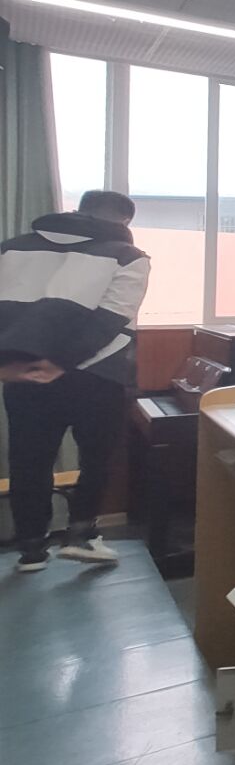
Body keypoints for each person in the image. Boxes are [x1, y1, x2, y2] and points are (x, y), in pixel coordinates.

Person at [0, 189, 150, 571]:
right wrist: (61, 363)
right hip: (98, 375)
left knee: (28, 461)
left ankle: (31, 549)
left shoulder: (12, 248)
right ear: (125, 221)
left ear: (80, 210)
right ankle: (81, 536)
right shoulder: (129, 256)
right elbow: (112, 320)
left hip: (24, 374)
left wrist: (9, 367)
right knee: (97, 459)